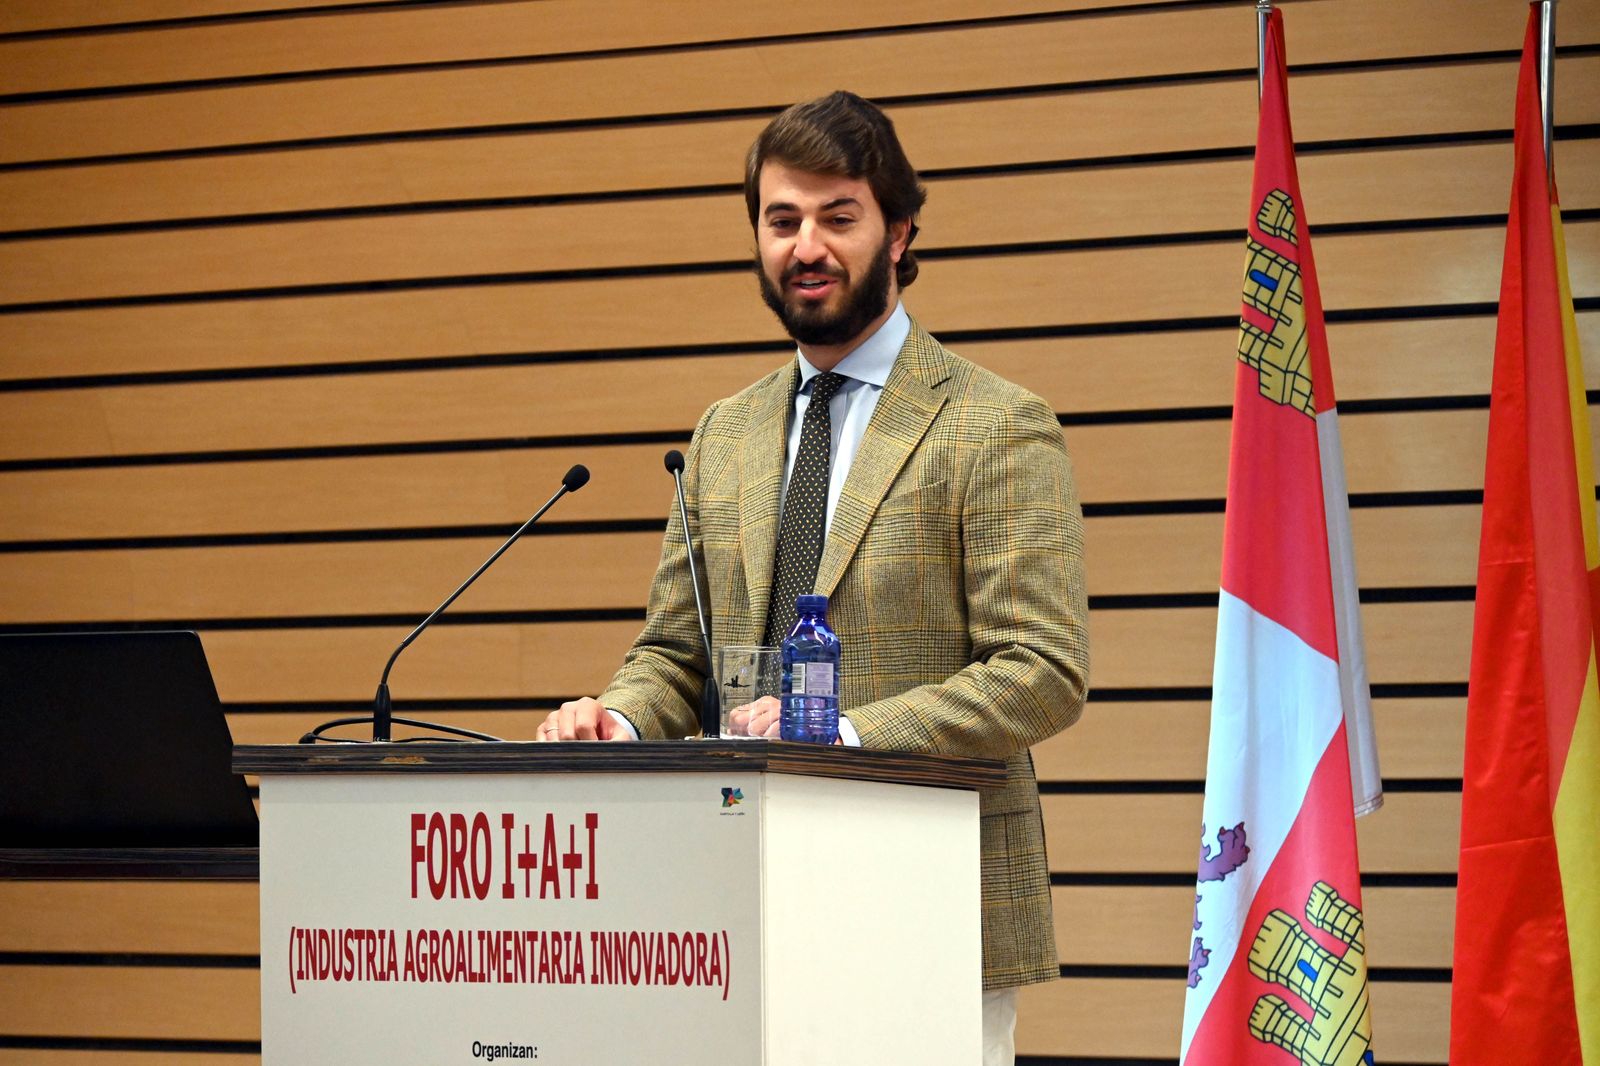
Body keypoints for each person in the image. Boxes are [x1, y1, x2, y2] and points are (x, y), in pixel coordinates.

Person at [536, 90, 1089, 1064]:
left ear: (899, 230)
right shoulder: (724, 434)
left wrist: (841, 735)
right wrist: (614, 718)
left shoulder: (993, 424)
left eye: (838, 217)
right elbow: (675, 651)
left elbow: (1040, 668)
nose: (807, 246)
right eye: (781, 219)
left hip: (924, 917)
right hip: (729, 910)